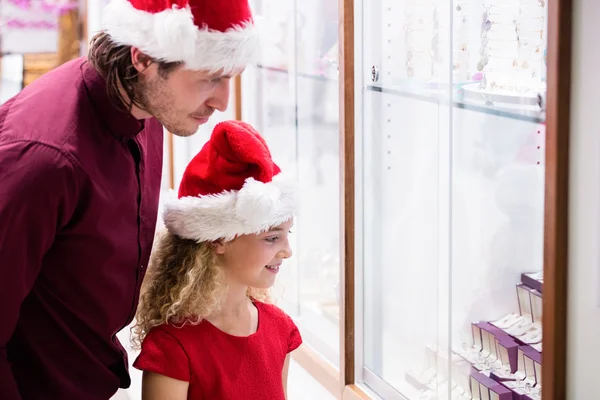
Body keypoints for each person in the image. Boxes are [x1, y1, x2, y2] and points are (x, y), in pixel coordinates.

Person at [0, 0, 258, 398]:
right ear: (143, 58)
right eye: (210, 78)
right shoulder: (45, 157)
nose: (222, 101)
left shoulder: (147, 108)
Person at [131, 120, 302, 399]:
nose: (287, 251)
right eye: (272, 238)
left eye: (287, 234)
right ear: (219, 239)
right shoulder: (173, 346)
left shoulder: (280, 329)